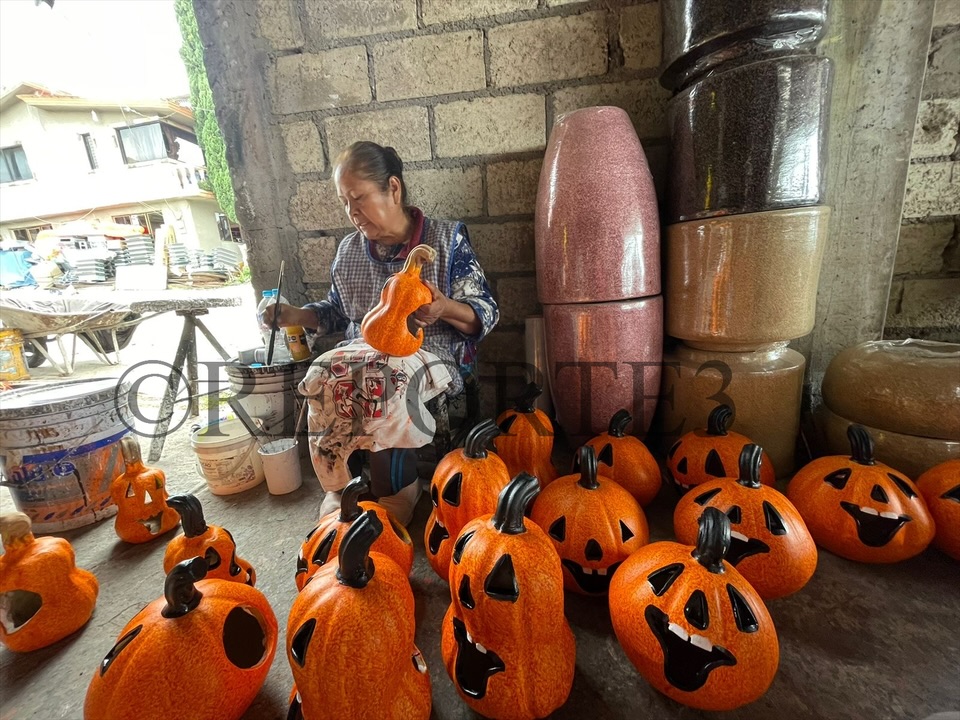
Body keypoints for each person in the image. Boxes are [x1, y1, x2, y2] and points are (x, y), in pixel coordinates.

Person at [263, 141, 499, 525]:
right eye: (345, 202)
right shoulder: (349, 251)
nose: (352, 212)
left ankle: (398, 487)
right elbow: (336, 314)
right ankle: (339, 486)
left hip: (430, 352)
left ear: (393, 188)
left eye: (359, 198)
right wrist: (292, 314)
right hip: (361, 349)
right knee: (322, 374)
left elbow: (486, 313)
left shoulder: (444, 239)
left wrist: (445, 308)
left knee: (385, 377)